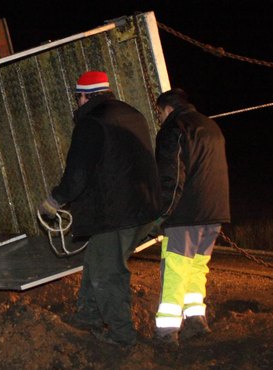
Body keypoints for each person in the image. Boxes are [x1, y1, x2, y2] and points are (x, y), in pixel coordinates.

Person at [38, 71, 160, 348]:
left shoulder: (91, 123)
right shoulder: (132, 114)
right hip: (142, 209)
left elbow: (78, 173)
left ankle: (121, 335)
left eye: (77, 97)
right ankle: (88, 315)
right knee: (96, 259)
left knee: (108, 273)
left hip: (116, 213)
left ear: (84, 96)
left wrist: (55, 200)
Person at [151, 88, 230, 347]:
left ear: (168, 110)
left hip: (186, 214)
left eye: (159, 114)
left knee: (175, 270)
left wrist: (163, 212)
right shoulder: (211, 126)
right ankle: (196, 320)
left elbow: (171, 178)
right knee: (197, 267)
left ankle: (167, 332)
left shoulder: (174, 129)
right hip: (214, 211)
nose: (159, 120)